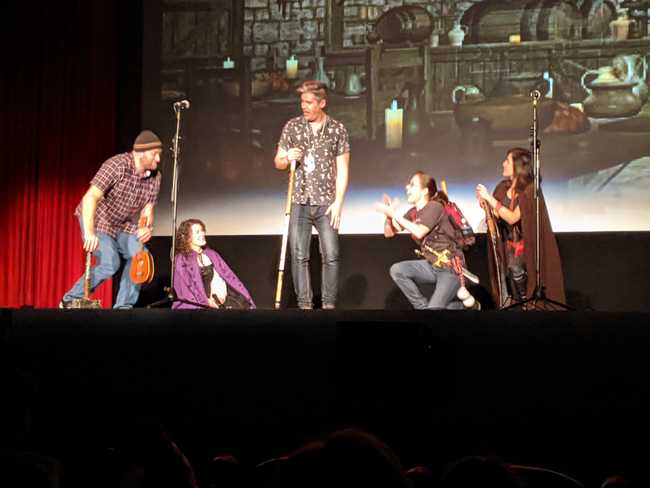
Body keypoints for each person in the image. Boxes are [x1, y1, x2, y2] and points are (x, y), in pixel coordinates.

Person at [60, 130, 162, 309]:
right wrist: (90, 233)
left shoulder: (155, 177)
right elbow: (90, 197)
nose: (158, 159)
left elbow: (148, 208)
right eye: (155, 154)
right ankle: (70, 298)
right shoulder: (117, 165)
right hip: (98, 220)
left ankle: (123, 307)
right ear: (140, 152)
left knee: (140, 256)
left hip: (122, 224)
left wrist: (146, 227)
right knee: (110, 262)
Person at [274, 80, 350, 309]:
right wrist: (287, 157)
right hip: (300, 201)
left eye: (309, 102)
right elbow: (278, 162)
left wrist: (338, 202)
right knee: (299, 256)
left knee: (331, 255)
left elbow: (343, 169)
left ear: (322, 103)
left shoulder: (337, 129)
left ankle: (328, 306)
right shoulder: (292, 127)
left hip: (327, 203)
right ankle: (305, 306)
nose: (304, 107)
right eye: (302, 102)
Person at [476, 147, 565, 306]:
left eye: (507, 161)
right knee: (511, 276)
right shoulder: (503, 188)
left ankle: (527, 304)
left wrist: (489, 198)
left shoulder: (529, 190)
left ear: (517, 166)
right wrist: (486, 206)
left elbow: (512, 217)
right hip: (507, 246)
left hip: (524, 248)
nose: (503, 164)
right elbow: (497, 217)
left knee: (517, 270)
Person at [376, 171, 465, 310]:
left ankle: (460, 308)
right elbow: (389, 233)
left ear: (424, 191)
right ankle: (423, 308)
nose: (407, 187)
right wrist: (388, 216)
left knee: (435, 309)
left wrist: (394, 214)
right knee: (397, 270)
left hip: (450, 268)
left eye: (412, 185)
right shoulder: (413, 212)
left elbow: (419, 231)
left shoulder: (435, 206)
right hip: (432, 266)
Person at [172, 219, 255, 310]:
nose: (202, 234)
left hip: (217, 300)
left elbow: (227, 276)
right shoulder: (182, 259)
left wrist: (220, 293)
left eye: (202, 231)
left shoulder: (211, 254)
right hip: (196, 303)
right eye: (197, 232)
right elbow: (189, 286)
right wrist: (206, 301)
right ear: (187, 237)